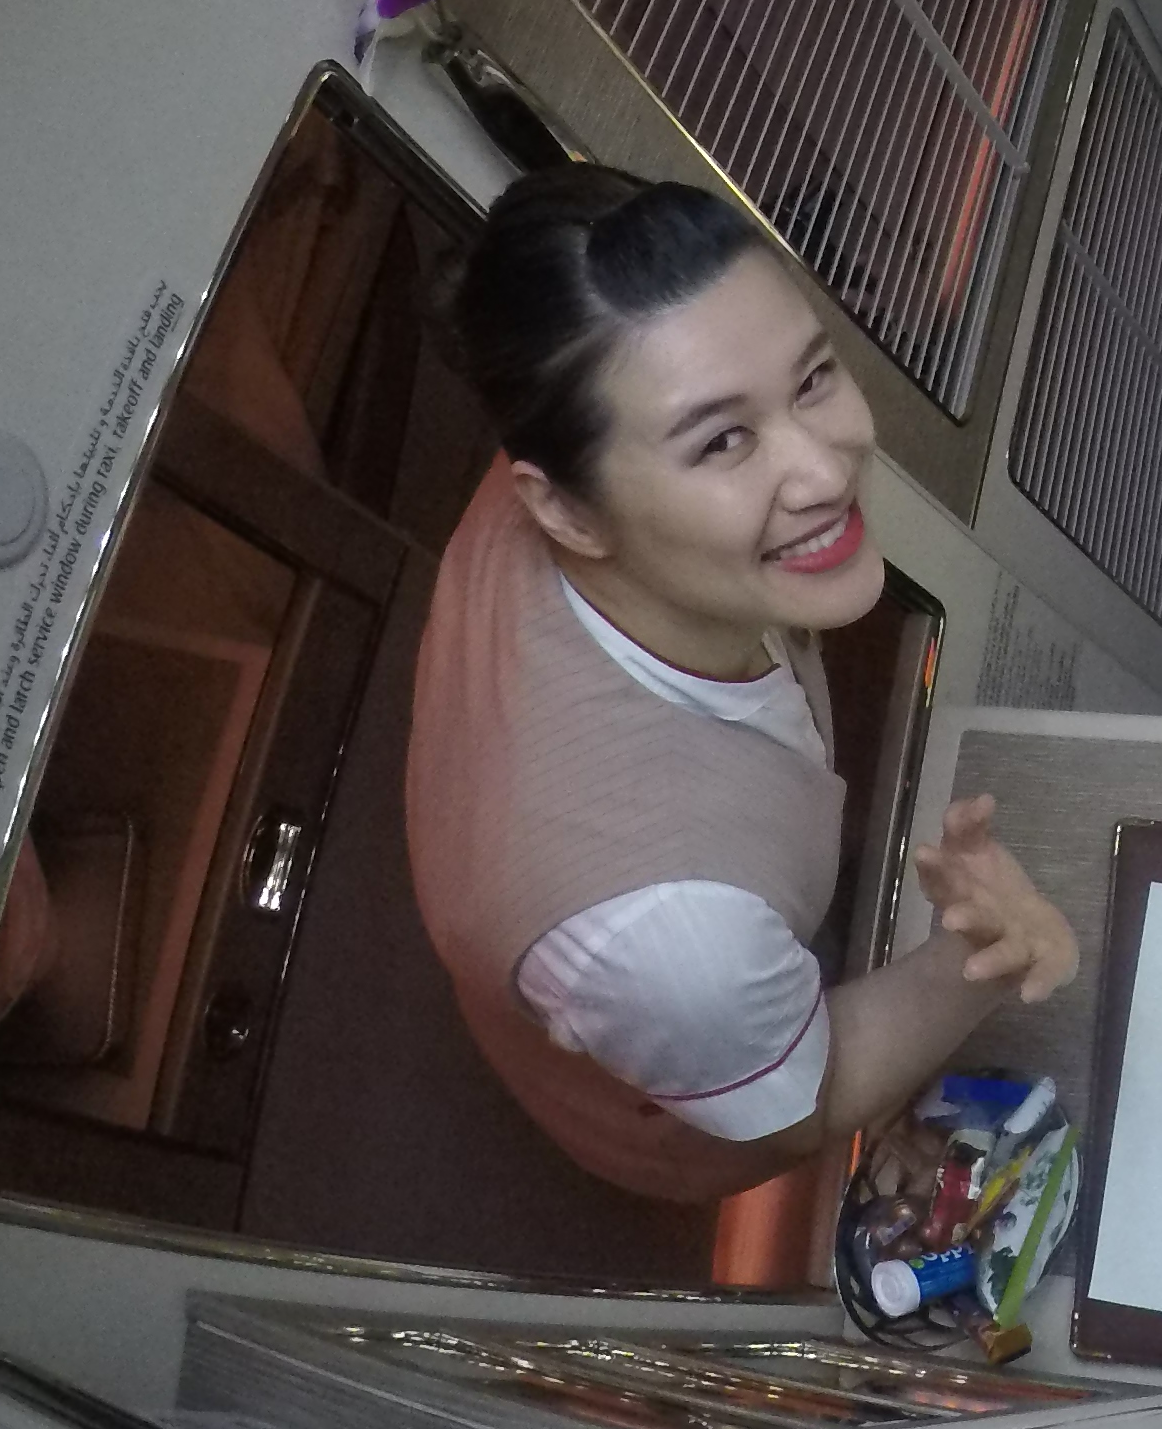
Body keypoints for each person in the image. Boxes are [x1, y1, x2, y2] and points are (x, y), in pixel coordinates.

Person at [408, 166, 1077, 1204]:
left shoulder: (584, 447)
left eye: (812, 379)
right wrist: (976, 958)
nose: (828, 469)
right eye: (723, 440)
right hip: (680, 1070)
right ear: (566, 512)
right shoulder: (676, 943)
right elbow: (801, 1108)